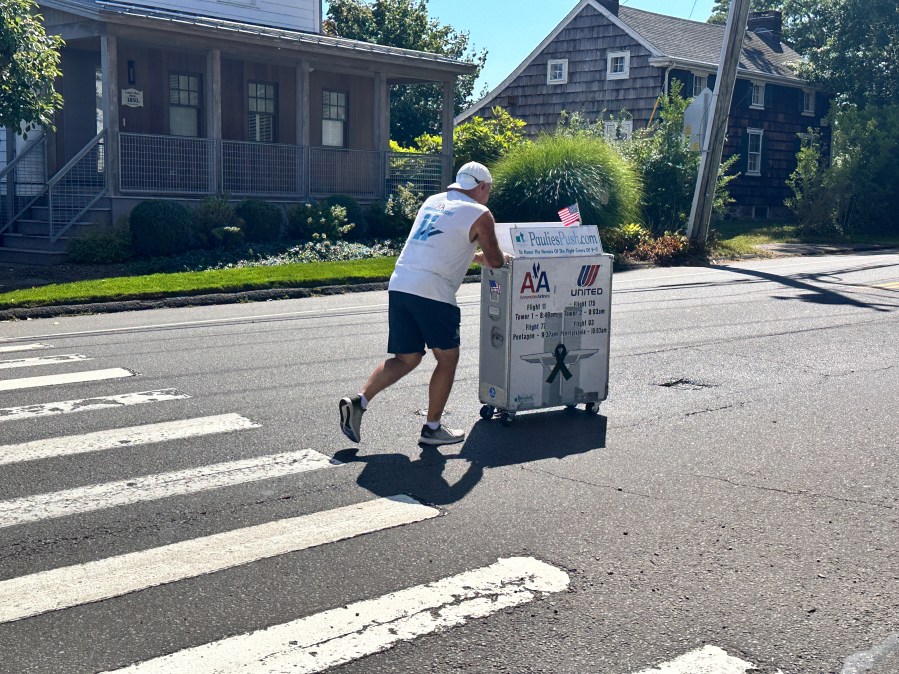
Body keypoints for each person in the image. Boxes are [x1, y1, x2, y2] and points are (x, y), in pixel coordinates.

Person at [339, 161, 509, 446]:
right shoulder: (481, 214)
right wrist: (499, 258)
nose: (487, 196)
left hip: (401, 282)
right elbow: (495, 260)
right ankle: (432, 428)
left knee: (407, 358)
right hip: (433, 291)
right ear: (480, 187)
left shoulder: (433, 201)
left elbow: (443, 243)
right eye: (488, 191)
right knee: (447, 358)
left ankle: (359, 401)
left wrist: (472, 257)